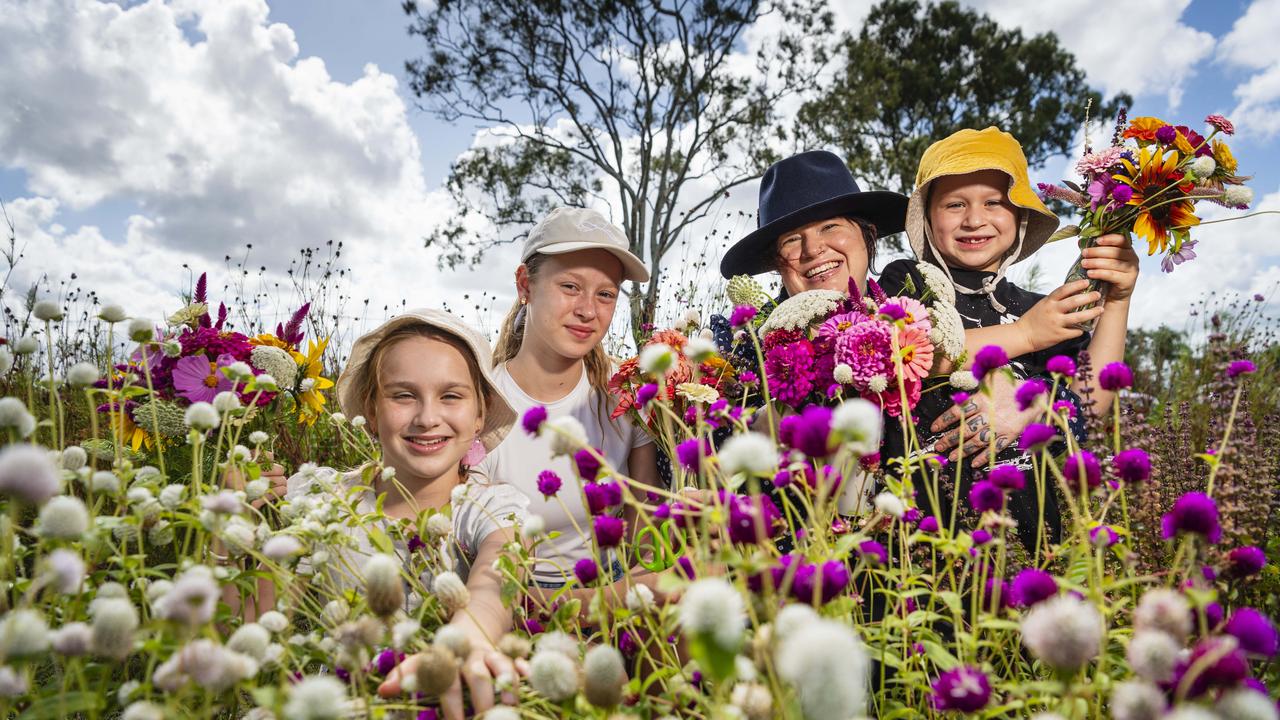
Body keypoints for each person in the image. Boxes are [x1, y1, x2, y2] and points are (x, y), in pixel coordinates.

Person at [879, 126, 1140, 550]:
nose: (974, 219)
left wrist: (1117, 301)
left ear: (1019, 217)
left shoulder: (1037, 307)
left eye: (994, 203)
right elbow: (908, 352)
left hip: (1029, 535)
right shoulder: (908, 282)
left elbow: (1090, 403)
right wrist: (1025, 334)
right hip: (928, 533)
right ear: (927, 219)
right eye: (954, 204)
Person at [278, 309, 529, 719]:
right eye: (403, 395)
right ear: (372, 412)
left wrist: (468, 639)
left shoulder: (491, 509)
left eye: (451, 395)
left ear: (479, 414)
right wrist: (233, 537)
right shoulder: (325, 502)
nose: (428, 418)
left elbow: (497, 578)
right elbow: (260, 616)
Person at [480, 206, 668, 605]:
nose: (588, 311)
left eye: (605, 294)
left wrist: (642, 581)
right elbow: (483, 574)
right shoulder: (481, 406)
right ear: (525, 285)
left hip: (620, 589)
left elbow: (643, 519)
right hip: (518, 602)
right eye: (570, 286)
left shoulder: (626, 394)